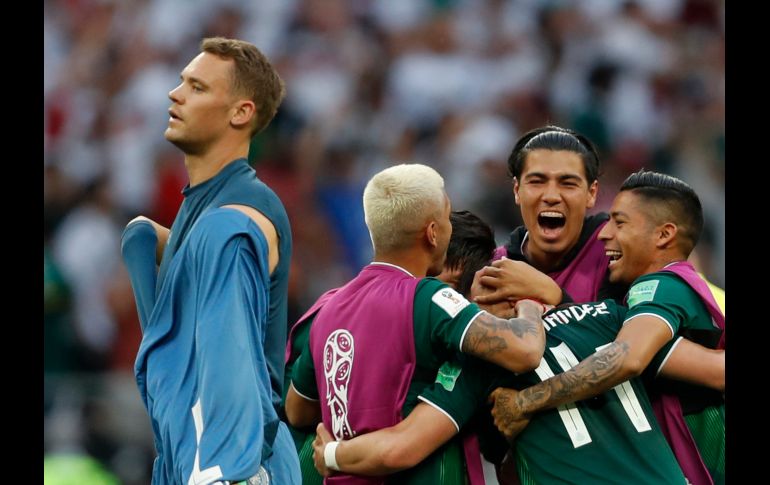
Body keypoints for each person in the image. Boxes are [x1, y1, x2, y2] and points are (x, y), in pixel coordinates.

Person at [308, 171, 724, 484]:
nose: (605, 235)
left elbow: (402, 447)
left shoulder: (476, 366)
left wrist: (332, 455)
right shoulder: (612, 317)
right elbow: (710, 369)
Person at [284, 163, 547, 485]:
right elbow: (524, 351)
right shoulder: (429, 298)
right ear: (433, 232)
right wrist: (531, 304)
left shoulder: (328, 306)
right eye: (448, 218)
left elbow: (298, 410)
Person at [120, 37, 300, 484]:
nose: (174, 93)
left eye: (197, 87)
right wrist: (146, 240)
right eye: (182, 81)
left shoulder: (233, 222)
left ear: (240, 113)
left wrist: (222, 472)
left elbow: (229, 356)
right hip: (197, 458)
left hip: (231, 464)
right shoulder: (206, 210)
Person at [489, 170, 724, 484]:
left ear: (664, 235)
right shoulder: (684, 288)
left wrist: (525, 402)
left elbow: (626, 357)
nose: (603, 234)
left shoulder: (660, 285)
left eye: (620, 222)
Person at [281, 209, 497, 485]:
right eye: (437, 285)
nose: (443, 300)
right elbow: (297, 410)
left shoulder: (468, 343)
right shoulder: (334, 312)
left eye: (454, 292)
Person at [473, 125, 627, 308]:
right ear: (517, 190)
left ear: (591, 193)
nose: (551, 196)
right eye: (537, 182)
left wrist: (550, 293)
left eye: (568, 184)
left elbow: (628, 332)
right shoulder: (493, 270)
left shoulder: (617, 249)